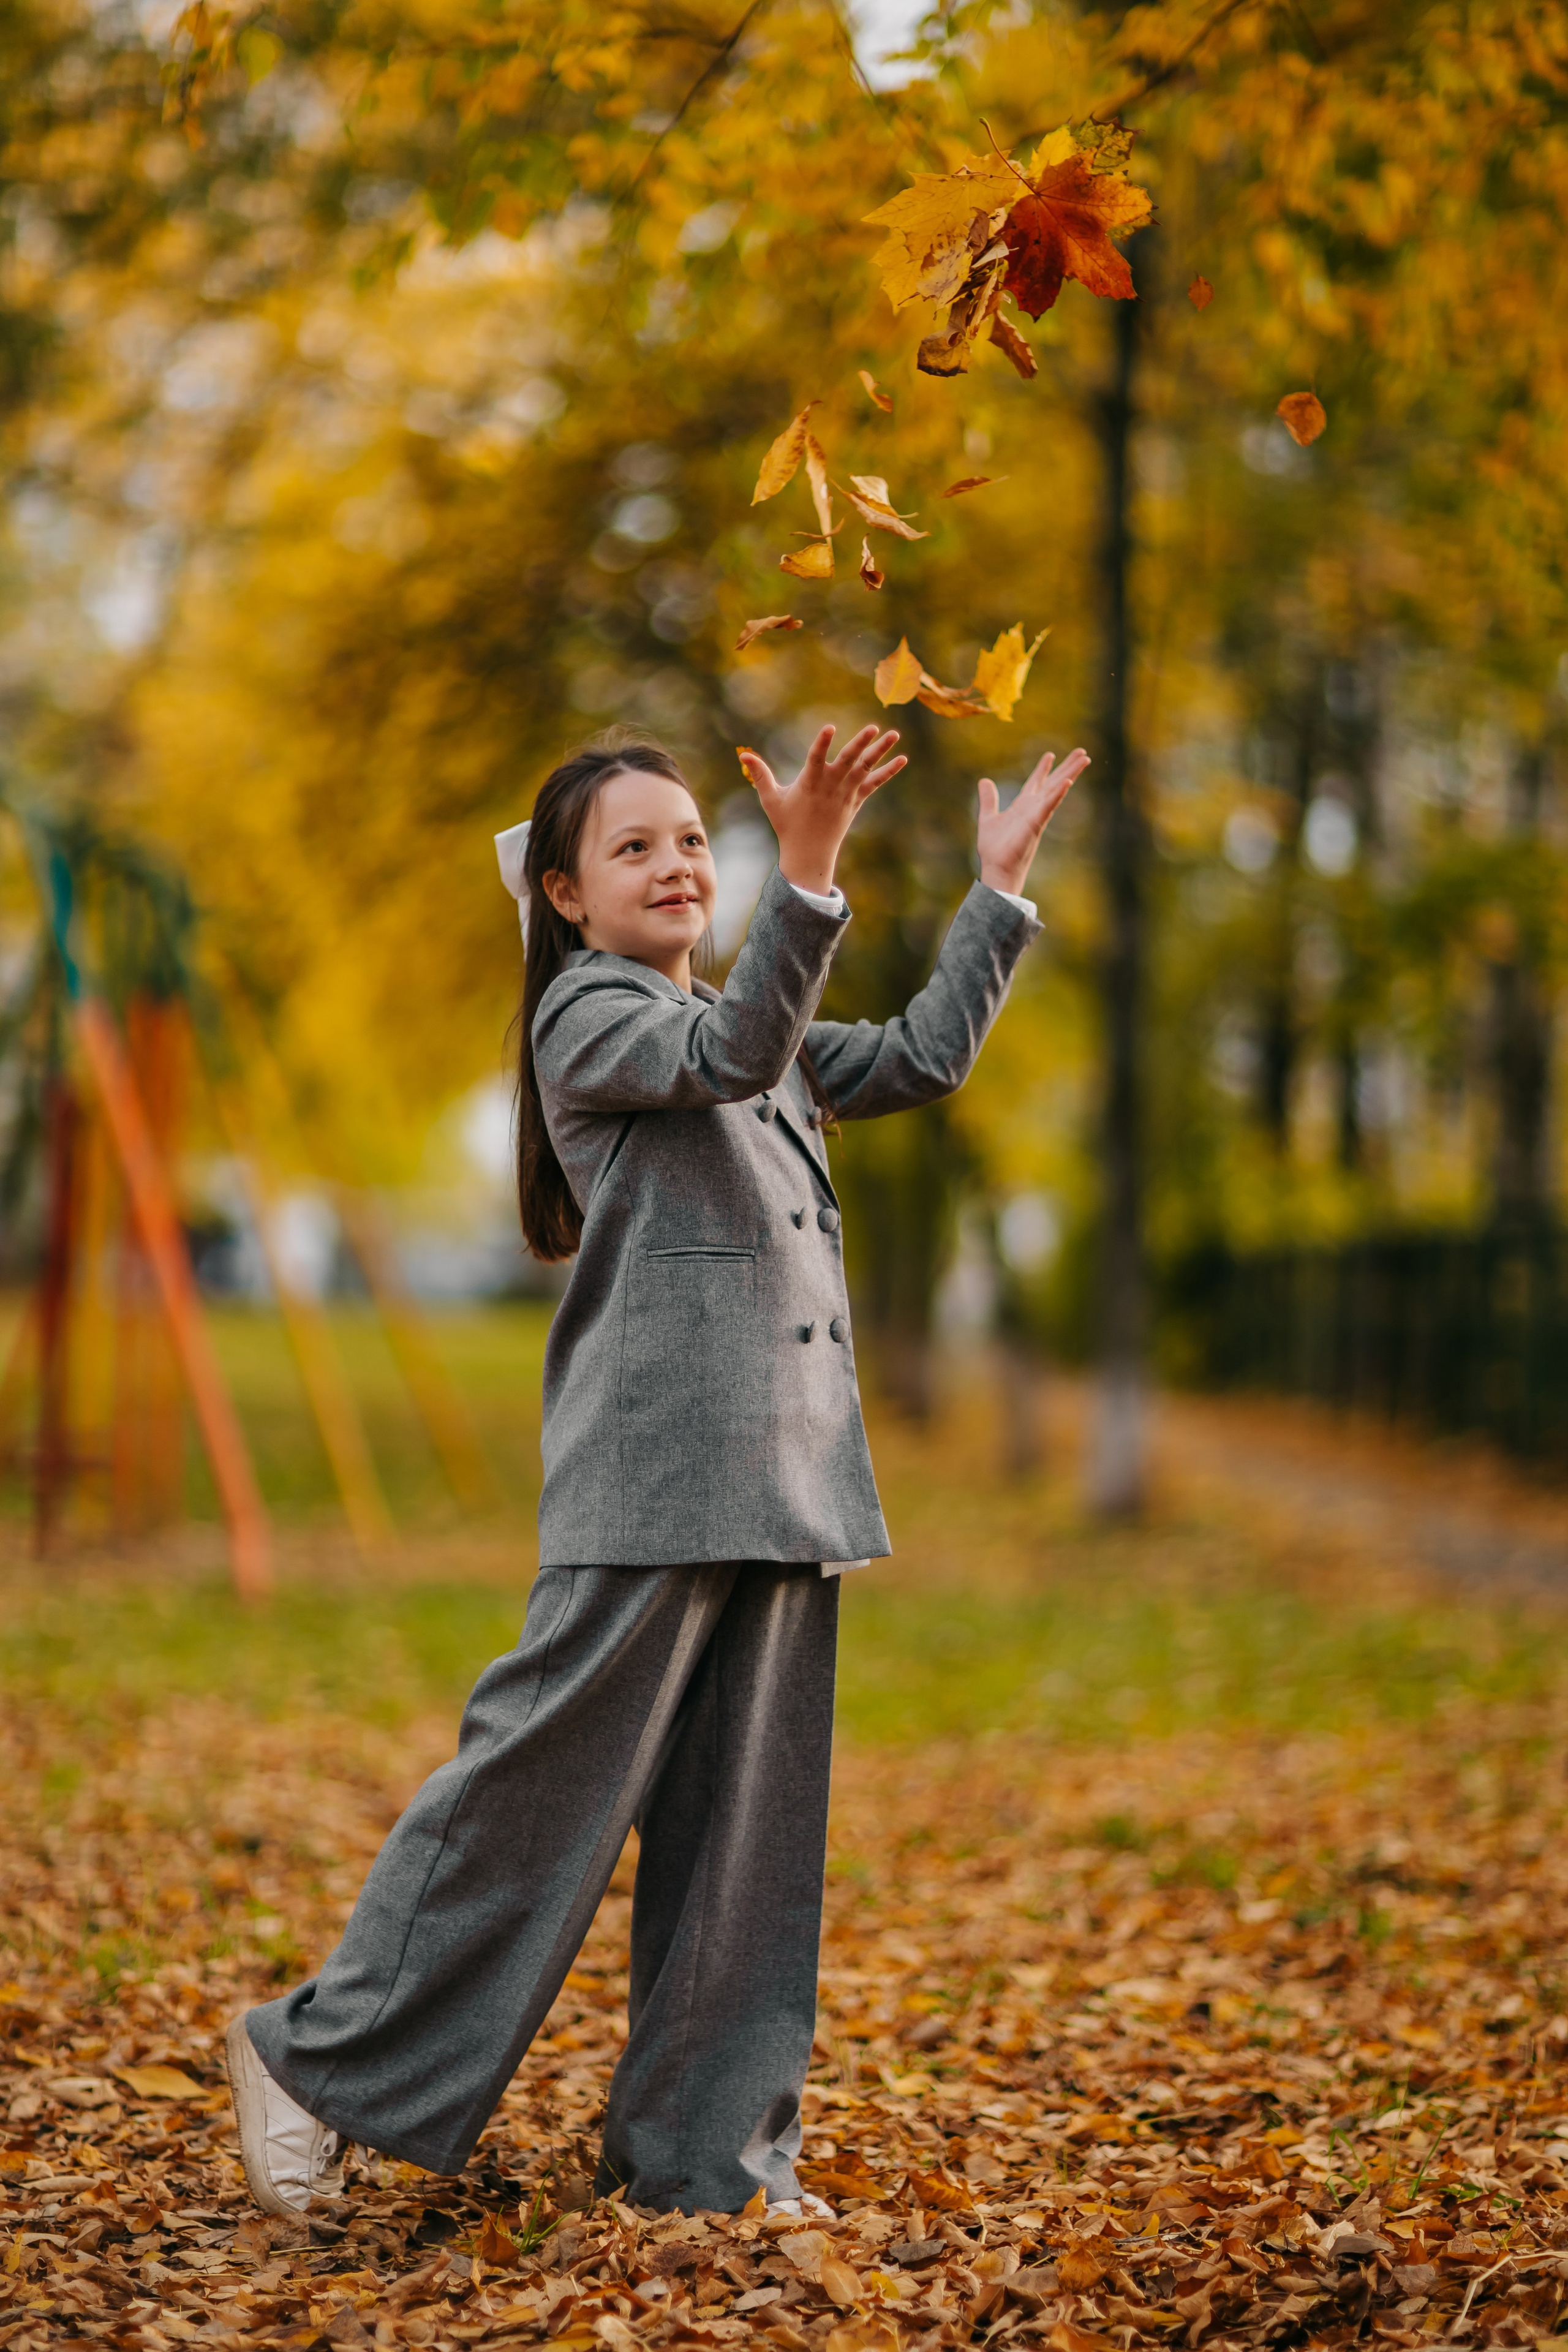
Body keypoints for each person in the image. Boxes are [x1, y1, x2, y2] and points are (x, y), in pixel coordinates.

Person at [227, 718, 1087, 2220]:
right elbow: (733, 1047)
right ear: (564, 896)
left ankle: (702, 2159)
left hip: (784, 1480)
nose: (676, 862)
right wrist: (803, 872)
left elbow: (914, 1058)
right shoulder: (593, 1021)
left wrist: (993, 895)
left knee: (745, 1850)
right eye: (634, 846)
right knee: (528, 1801)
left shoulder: (744, 1020)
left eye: (692, 838)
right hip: (648, 1480)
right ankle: (315, 2061)